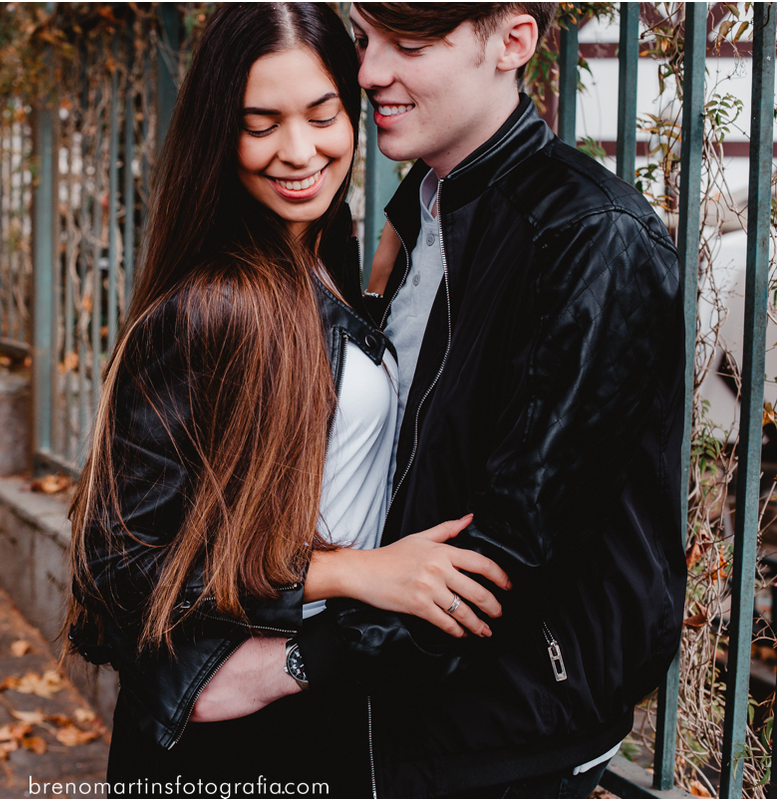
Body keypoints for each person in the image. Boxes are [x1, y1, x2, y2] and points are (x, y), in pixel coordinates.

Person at [65, 3, 511, 797]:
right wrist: (350, 576)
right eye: (260, 122)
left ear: (353, 108)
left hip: (315, 700)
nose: (297, 151)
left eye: (321, 114)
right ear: (218, 132)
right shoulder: (214, 306)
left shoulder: (327, 256)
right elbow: (119, 566)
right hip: (232, 728)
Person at [285, 3, 685, 797]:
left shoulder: (589, 238)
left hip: (506, 734)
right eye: (366, 42)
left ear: (512, 42)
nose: (368, 73)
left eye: (410, 43)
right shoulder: (430, 209)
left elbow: (515, 541)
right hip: (402, 712)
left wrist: (295, 663)